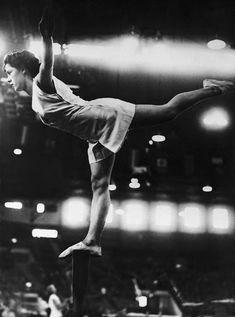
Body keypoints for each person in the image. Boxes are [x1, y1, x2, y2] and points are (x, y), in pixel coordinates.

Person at [3, 8, 234, 258]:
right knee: (99, 184)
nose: (7, 79)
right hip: (95, 134)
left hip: (105, 116)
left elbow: (47, 62)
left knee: (167, 112)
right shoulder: (37, 99)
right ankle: (93, 241)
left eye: (9, 72)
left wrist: (46, 38)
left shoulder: (40, 84)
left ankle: (211, 89)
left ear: (24, 70)